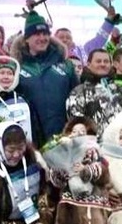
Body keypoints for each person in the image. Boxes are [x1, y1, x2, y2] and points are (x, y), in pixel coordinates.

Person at [46, 118, 110, 224]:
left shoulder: (96, 153)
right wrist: (62, 170)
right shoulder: (63, 153)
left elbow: (104, 175)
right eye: (74, 131)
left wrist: (86, 170)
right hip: (71, 203)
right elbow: (55, 181)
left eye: (82, 132)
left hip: (92, 202)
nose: (78, 134)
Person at [11, 11, 78, 144]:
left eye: (45, 33)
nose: (42, 38)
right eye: (36, 34)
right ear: (26, 39)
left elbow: (78, 101)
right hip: (31, 142)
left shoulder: (66, 66)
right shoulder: (17, 69)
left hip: (64, 139)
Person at [66, 49, 122, 136]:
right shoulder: (79, 92)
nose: (102, 64)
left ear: (111, 65)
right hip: (93, 145)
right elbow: (76, 123)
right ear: (88, 64)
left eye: (106, 61)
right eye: (98, 61)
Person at [0, 56, 32, 145]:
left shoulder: (22, 97)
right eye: (2, 73)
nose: (6, 77)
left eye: (10, 73)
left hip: (24, 149)